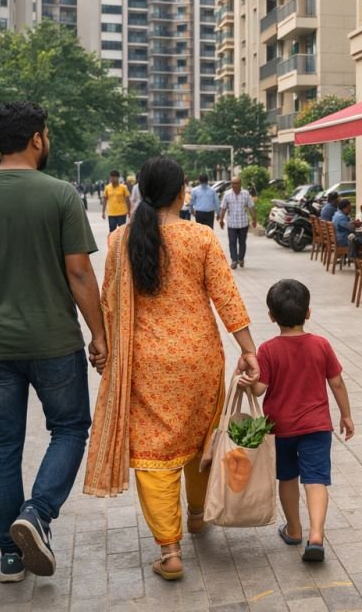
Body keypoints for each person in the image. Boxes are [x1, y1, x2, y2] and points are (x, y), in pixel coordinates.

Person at [0, 101, 106, 583]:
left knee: (2, 447)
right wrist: (99, 334)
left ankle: (10, 557)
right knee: (71, 428)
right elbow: (79, 271)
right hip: (55, 341)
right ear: (37, 139)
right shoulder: (60, 195)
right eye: (47, 135)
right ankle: (36, 514)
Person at [85, 156, 259, 582]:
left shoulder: (120, 240)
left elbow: (108, 300)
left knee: (155, 452)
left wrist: (102, 344)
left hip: (146, 366)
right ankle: (197, 514)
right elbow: (227, 298)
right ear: (182, 192)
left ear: (141, 191)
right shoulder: (200, 237)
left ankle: (170, 550)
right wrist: (250, 350)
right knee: (202, 438)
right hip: (199, 361)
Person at [242, 279, 353, 563]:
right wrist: (346, 415)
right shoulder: (321, 344)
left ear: (271, 316)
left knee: (287, 477)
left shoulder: (267, 350)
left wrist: (246, 381)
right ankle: (316, 535)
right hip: (317, 427)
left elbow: (258, 389)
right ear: (308, 313)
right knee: (316, 479)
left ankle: (293, 530)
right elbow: (337, 382)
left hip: (281, 429)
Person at [218, 176, 257, 269]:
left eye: (236, 183)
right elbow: (223, 208)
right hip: (232, 223)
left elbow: (251, 207)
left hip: (243, 223)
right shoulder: (227, 194)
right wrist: (221, 220)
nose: (234, 185)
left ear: (240, 184)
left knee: (242, 242)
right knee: (232, 242)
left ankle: (241, 259)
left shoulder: (246, 194)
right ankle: (234, 260)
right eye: (232, 183)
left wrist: (254, 219)